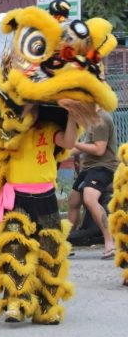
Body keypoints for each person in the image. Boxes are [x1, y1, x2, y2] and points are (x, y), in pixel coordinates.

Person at [66, 107, 117, 259]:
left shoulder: (101, 119)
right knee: (73, 201)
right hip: (89, 168)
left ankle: (109, 242)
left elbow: (99, 149)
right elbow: (86, 145)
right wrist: (63, 153)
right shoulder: (90, 118)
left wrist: (73, 144)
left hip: (103, 167)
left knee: (89, 198)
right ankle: (65, 244)